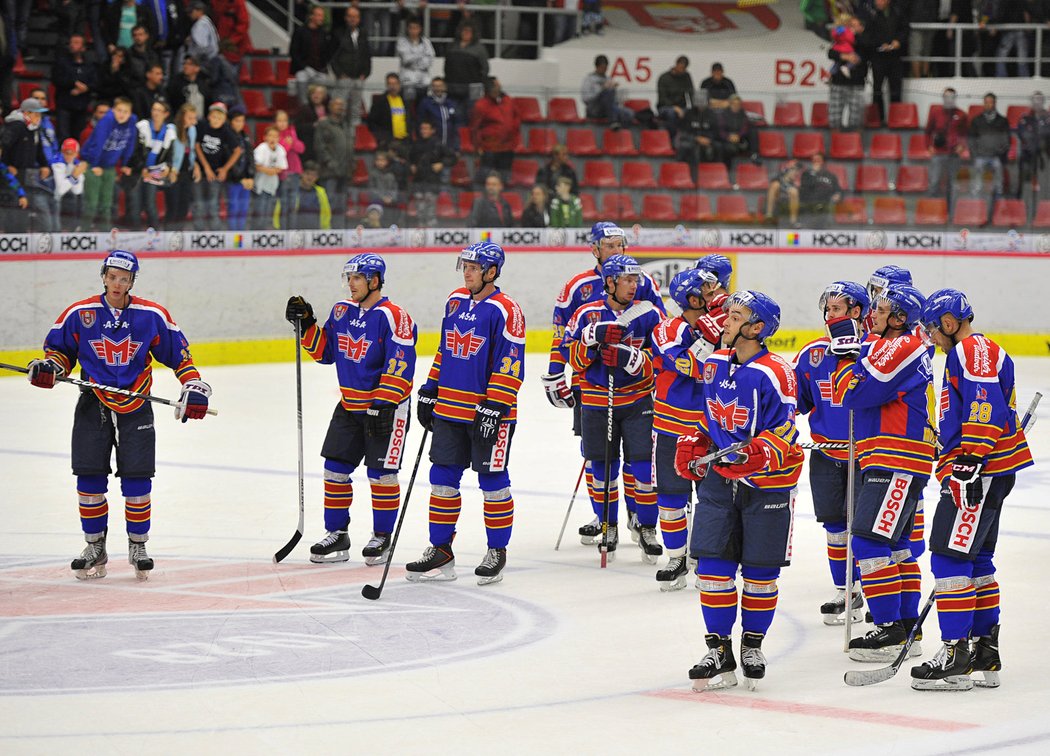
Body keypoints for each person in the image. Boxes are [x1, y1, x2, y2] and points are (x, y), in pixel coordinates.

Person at [26, 250, 211, 581]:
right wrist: (50, 368)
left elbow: (180, 356)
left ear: (132, 281)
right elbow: (60, 353)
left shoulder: (151, 315)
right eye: (111, 277)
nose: (116, 283)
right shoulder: (80, 313)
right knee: (89, 479)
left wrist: (194, 386)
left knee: (138, 480)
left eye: (123, 279)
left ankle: (138, 546)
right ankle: (95, 545)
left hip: (136, 404)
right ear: (103, 276)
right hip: (92, 402)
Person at [674, 290, 804, 691]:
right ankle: (719, 649)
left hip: (767, 484)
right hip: (719, 480)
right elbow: (710, 415)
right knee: (712, 569)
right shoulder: (714, 364)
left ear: (756, 328)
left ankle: (751, 645)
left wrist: (762, 453)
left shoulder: (776, 372)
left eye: (734, 317)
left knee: (761, 574)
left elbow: (786, 428)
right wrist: (692, 439)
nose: (725, 323)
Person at [910, 289, 1033, 691]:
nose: (931, 337)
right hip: (988, 469)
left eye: (933, 329)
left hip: (978, 471)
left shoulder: (972, 351)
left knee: (948, 557)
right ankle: (984, 650)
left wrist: (970, 461)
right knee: (977, 559)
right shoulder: (972, 351)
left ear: (948, 323)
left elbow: (984, 405)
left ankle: (955, 652)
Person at [285, 254, 418, 566]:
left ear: (374, 280)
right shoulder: (342, 310)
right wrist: (306, 325)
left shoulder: (393, 316)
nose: (351, 283)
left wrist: (384, 403)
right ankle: (337, 533)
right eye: (349, 278)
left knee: (381, 475)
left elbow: (400, 364)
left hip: (386, 408)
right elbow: (325, 352)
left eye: (357, 278)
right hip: (349, 405)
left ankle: (382, 537)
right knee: (335, 469)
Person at [409, 242, 526, 585]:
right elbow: (445, 349)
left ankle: (497, 551)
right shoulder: (455, 301)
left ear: (491, 272)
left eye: (474, 268)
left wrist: (495, 405)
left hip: (491, 413)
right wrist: (430, 389)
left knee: (492, 482)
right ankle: (441, 550)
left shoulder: (506, 309)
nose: (467, 272)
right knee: (443, 480)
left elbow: (511, 362)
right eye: (465, 266)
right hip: (449, 409)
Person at [542, 223, 665, 546]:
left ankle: (638, 515)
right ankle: (604, 516)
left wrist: (640, 361)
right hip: (592, 388)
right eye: (609, 245)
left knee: (638, 459)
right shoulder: (577, 290)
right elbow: (562, 336)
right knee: (598, 456)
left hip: (635, 391)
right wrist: (557, 372)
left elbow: (663, 334)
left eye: (620, 244)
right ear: (595, 249)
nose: (616, 250)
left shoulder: (644, 286)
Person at [837, 283, 935, 662]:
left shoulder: (903, 345)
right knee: (896, 548)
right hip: (894, 457)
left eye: (879, 310)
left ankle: (891, 630)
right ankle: (908, 627)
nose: (871, 315)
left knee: (867, 543)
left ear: (899, 318)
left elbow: (854, 393)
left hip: (895, 456)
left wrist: (848, 359)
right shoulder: (898, 345)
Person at [792, 281, 871, 625]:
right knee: (836, 528)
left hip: (867, 454)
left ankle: (876, 591)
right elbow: (794, 400)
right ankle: (845, 590)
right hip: (826, 452)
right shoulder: (813, 354)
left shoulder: (875, 350)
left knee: (868, 530)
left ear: (857, 313)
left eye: (837, 309)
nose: (830, 315)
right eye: (828, 309)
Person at [649, 268, 724, 590]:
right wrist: (708, 338)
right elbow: (691, 366)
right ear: (691, 298)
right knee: (670, 497)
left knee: (711, 498)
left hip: (711, 427)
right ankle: (677, 556)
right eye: (707, 292)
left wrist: (721, 334)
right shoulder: (668, 329)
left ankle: (706, 556)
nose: (714, 297)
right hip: (671, 426)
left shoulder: (728, 326)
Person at [77, 96, 138, 232]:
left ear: (130, 113)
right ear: (113, 110)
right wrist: (95, 164)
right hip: (93, 163)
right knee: (92, 203)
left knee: (107, 204)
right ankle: (84, 233)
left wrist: (125, 163)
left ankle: (105, 234)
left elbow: (130, 142)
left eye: (125, 112)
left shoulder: (132, 121)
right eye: (119, 110)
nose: (122, 114)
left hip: (109, 166)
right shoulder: (107, 121)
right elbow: (97, 143)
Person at [194, 102, 241, 231]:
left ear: (224, 119)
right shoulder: (202, 126)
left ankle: (214, 232)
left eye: (219, 118)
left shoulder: (226, 131)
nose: (216, 120)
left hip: (215, 173)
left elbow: (237, 151)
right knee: (198, 204)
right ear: (209, 116)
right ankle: (198, 232)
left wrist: (225, 169)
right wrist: (206, 167)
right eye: (214, 117)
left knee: (213, 204)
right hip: (200, 171)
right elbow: (197, 146)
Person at [132, 98, 176, 231]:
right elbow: (134, 151)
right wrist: (141, 168)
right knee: (135, 205)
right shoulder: (142, 127)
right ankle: (134, 234)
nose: (155, 112)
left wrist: (168, 167)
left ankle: (156, 233)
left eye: (159, 110)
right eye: (154, 109)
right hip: (138, 172)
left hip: (154, 172)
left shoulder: (169, 132)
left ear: (165, 114)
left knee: (150, 204)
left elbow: (169, 154)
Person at [470, 76, 520, 186]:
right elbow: (475, 128)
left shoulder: (508, 100)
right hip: (489, 147)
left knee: (505, 178)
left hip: (507, 147)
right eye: (496, 85)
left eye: (498, 85)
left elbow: (516, 118)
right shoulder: (481, 105)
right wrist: (478, 146)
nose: (499, 87)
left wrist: (514, 139)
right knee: (485, 177)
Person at [314, 98, 354, 230]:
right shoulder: (324, 124)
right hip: (329, 171)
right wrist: (330, 162)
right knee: (328, 202)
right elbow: (320, 146)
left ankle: (339, 230)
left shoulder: (345, 125)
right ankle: (325, 230)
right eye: (337, 104)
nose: (341, 107)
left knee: (341, 204)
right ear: (330, 106)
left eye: (342, 105)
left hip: (344, 170)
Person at [409, 118, 457, 227]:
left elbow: (453, 157)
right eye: (422, 129)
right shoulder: (416, 144)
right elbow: (409, 158)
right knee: (420, 212)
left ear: (432, 130)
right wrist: (411, 165)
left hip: (432, 182)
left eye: (426, 129)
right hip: (419, 181)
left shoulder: (438, 144)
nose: (423, 131)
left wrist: (442, 163)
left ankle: (431, 233)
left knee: (430, 211)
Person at [52, 34, 99, 142]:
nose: (72, 45)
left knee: (79, 136)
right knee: (63, 137)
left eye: (76, 43)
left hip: (81, 106)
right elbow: (56, 79)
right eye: (71, 42)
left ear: (83, 47)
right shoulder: (61, 62)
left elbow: (95, 83)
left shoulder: (89, 65)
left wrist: (86, 88)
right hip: (64, 104)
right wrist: (74, 83)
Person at [330, 5, 372, 128]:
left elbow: (367, 54)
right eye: (350, 16)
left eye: (355, 17)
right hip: (344, 77)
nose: (353, 19)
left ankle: (355, 138)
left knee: (356, 109)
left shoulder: (363, 33)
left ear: (359, 18)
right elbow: (332, 56)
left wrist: (366, 73)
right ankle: (337, 133)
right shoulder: (338, 33)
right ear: (346, 18)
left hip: (359, 77)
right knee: (339, 108)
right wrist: (339, 74)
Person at [864, 0, 904, 126]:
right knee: (877, 89)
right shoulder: (871, 15)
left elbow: (904, 29)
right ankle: (878, 119)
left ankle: (896, 119)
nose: (877, 2)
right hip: (878, 57)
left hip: (895, 57)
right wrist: (881, 44)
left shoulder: (897, 12)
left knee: (896, 89)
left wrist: (898, 41)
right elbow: (868, 35)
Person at [926, 88, 968, 208]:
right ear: (943, 98)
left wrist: (962, 146)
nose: (948, 100)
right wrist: (928, 146)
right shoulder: (935, 112)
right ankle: (931, 210)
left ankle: (951, 212)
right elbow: (928, 131)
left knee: (953, 184)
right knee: (934, 182)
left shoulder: (961, 114)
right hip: (938, 153)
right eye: (946, 97)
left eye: (951, 97)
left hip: (954, 154)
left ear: (955, 99)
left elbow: (965, 133)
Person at [827, 17, 869, 131]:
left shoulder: (865, 40)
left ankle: (855, 143)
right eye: (850, 25)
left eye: (855, 25)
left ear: (862, 27)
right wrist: (845, 56)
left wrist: (854, 36)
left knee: (856, 119)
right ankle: (834, 142)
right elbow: (831, 53)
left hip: (856, 83)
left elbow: (864, 52)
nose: (851, 27)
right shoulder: (841, 39)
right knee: (834, 117)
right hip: (838, 82)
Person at [969, 92, 1010, 203]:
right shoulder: (976, 121)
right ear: (984, 104)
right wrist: (975, 155)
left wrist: (999, 153)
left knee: (998, 178)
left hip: (996, 156)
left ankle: (998, 200)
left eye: (991, 102)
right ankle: (976, 202)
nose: (988, 105)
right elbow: (971, 140)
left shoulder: (1003, 121)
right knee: (977, 182)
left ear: (995, 103)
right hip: (980, 156)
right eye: (986, 102)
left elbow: (1006, 140)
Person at [290, 3, 334, 103]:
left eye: (322, 16)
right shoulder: (300, 31)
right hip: (303, 70)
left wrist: (323, 68)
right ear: (311, 16)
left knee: (323, 98)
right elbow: (293, 52)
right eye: (319, 15)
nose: (321, 18)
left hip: (319, 71)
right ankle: (304, 112)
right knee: (303, 99)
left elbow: (327, 53)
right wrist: (305, 67)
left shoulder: (324, 34)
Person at [167, 103, 199, 231]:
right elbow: (166, 153)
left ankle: (178, 235)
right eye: (190, 118)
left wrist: (195, 165)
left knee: (184, 207)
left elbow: (191, 151)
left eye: (194, 118)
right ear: (182, 117)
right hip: (173, 173)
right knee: (173, 207)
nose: (193, 121)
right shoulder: (171, 129)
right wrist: (171, 169)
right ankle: (167, 235)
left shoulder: (192, 130)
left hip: (186, 172)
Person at [581, 54, 633, 130]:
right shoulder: (589, 80)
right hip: (594, 108)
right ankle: (613, 121)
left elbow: (614, 100)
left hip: (608, 109)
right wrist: (602, 89)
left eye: (605, 68)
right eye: (602, 68)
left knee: (628, 113)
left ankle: (621, 135)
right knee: (608, 92)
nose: (604, 70)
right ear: (597, 66)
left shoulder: (608, 79)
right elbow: (585, 99)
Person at [444, 22, 489, 109]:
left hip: (473, 87)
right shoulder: (451, 46)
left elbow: (485, 68)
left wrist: (478, 82)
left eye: (469, 31)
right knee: (452, 111)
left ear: (474, 33)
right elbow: (446, 65)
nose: (466, 33)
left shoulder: (480, 49)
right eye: (464, 30)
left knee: (473, 112)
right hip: (452, 85)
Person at [276, 108, 307, 231]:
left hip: (294, 172)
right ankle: (283, 231)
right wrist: (287, 144)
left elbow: (301, 148)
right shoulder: (274, 135)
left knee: (293, 204)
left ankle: (292, 230)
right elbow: (281, 152)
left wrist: (292, 142)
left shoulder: (292, 133)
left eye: (284, 121)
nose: (282, 123)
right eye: (279, 121)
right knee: (284, 204)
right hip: (282, 174)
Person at [1015, 91, 1050, 200]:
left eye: (1040, 100)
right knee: (1025, 172)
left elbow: (1047, 133)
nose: (1037, 102)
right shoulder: (1025, 118)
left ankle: (1045, 196)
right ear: (1031, 101)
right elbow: (1022, 134)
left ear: (1043, 101)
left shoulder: (1048, 118)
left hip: (1045, 153)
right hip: (1028, 153)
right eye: (1035, 99)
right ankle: (1022, 197)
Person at [366, 72, 413, 153]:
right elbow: (371, 122)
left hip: (405, 141)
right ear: (387, 85)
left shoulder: (406, 101)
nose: (393, 86)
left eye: (395, 83)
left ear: (399, 85)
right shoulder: (380, 101)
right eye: (390, 84)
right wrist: (382, 138)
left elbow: (410, 119)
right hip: (388, 142)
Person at [252, 125, 287, 230]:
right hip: (260, 185)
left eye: (275, 136)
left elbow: (281, 167)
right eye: (270, 136)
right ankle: (257, 230)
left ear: (279, 138)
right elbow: (256, 165)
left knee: (269, 210)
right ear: (265, 137)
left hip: (272, 186)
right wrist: (270, 171)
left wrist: (272, 171)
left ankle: (266, 230)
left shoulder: (280, 149)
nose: (273, 138)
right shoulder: (261, 148)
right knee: (260, 209)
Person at [225, 107, 254, 230]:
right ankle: (232, 237)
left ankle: (240, 238)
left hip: (245, 181)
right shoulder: (226, 137)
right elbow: (227, 160)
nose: (240, 124)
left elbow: (250, 158)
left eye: (242, 121)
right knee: (233, 208)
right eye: (237, 121)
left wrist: (250, 176)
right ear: (231, 121)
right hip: (233, 180)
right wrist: (239, 178)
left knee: (244, 209)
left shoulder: (245, 137)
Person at [397, 15, 435, 107]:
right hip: (407, 81)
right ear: (407, 29)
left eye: (416, 28)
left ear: (420, 29)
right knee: (407, 107)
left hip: (423, 81)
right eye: (411, 28)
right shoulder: (402, 42)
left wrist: (413, 58)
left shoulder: (426, 42)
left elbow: (429, 61)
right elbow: (406, 59)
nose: (413, 31)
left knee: (422, 106)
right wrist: (421, 55)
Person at [416, 77, 463, 152]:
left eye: (440, 86)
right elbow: (420, 122)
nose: (438, 89)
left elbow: (457, 124)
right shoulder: (425, 103)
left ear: (445, 87)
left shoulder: (452, 103)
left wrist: (456, 145)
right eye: (435, 86)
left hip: (449, 145)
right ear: (431, 88)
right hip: (432, 146)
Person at [798, 153, 843, 229]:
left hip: (825, 203)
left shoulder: (831, 176)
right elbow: (805, 189)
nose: (815, 162)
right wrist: (814, 174)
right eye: (814, 160)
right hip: (810, 203)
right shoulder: (806, 174)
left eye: (818, 160)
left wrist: (838, 194)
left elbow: (838, 189)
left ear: (823, 162)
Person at [285, 161, 331, 229]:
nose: (310, 177)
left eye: (314, 175)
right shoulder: (292, 191)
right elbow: (281, 211)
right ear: (301, 173)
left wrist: (325, 229)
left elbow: (326, 213)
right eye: (307, 174)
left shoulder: (321, 192)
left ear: (317, 177)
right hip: (295, 232)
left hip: (315, 232)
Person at [656, 55, 694, 139]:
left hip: (682, 107)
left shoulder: (686, 77)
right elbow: (662, 99)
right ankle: (671, 138)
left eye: (684, 68)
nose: (682, 70)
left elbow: (691, 93)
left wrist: (695, 108)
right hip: (665, 107)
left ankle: (687, 138)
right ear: (676, 64)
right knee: (672, 114)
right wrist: (675, 108)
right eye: (681, 67)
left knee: (692, 113)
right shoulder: (664, 78)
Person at [712, 94, 753, 169]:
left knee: (753, 133)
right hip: (726, 139)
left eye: (738, 104)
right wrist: (728, 137)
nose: (736, 106)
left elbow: (745, 128)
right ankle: (726, 170)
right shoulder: (723, 114)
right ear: (730, 104)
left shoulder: (743, 115)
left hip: (739, 139)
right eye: (734, 104)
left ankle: (754, 156)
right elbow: (721, 129)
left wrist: (738, 136)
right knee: (725, 148)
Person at [54, 138, 85, 230]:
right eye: (66, 152)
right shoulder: (57, 162)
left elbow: (77, 190)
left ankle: (75, 228)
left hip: (61, 196)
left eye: (72, 153)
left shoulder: (76, 163)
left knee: (77, 199)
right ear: (62, 152)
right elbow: (59, 190)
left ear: (76, 154)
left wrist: (75, 176)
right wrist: (74, 176)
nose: (68, 156)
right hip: (50, 194)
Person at [764, 161, 802, 226]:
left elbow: (796, 190)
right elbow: (773, 182)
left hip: (789, 205)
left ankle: (793, 221)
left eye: (796, 170)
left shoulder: (795, 183)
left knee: (794, 192)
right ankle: (769, 216)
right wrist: (785, 180)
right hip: (777, 202)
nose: (794, 172)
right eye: (792, 169)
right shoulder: (779, 177)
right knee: (775, 185)